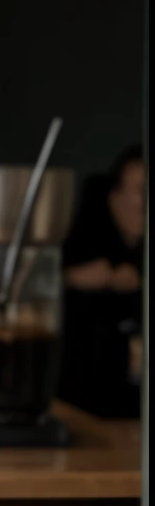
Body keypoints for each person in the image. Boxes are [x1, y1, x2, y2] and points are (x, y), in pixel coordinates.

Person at [59, 147, 144, 419]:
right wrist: (71, 279)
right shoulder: (81, 252)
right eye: (140, 191)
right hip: (88, 413)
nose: (144, 203)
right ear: (115, 197)